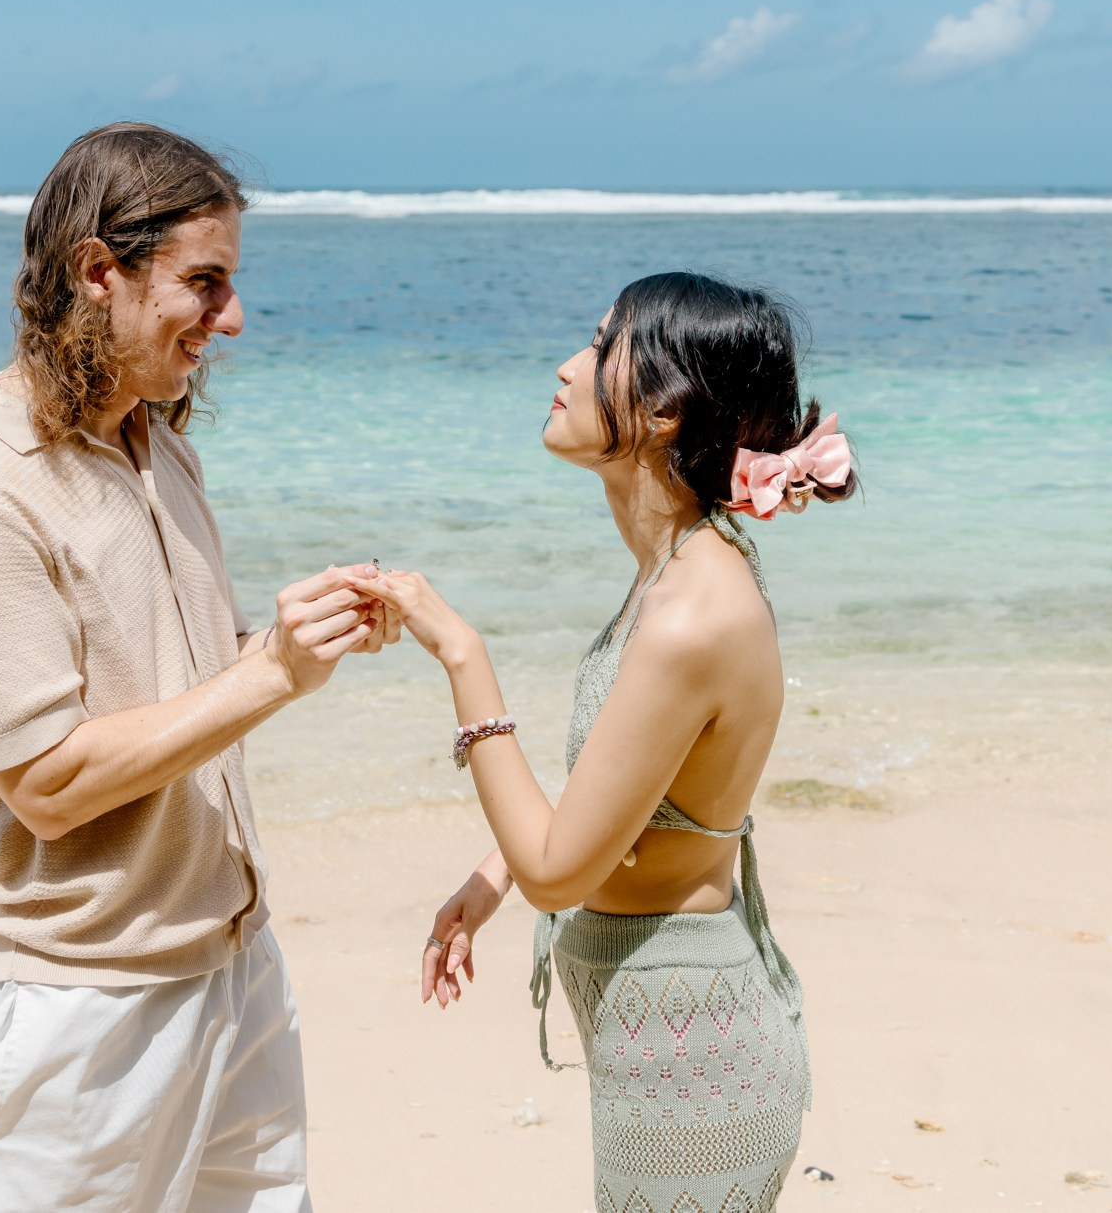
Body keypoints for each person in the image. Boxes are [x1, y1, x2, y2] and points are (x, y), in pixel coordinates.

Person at [0, 122, 390, 1212]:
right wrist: (271, 676)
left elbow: (170, 689)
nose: (232, 318)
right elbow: (47, 785)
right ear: (96, 272)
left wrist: (292, 635)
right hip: (81, 1015)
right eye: (203, 284)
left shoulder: (151, 442)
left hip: (233, 965)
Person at [350, 272, 854, 1211]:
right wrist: (493, 871)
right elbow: (625, 793)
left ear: (663, 411)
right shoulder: (675, 571)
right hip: (665, 1046)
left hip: (693, 1064)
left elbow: (561, 876)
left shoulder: (690, 614)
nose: (566, 366)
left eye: (598, 347)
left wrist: (461, 653)